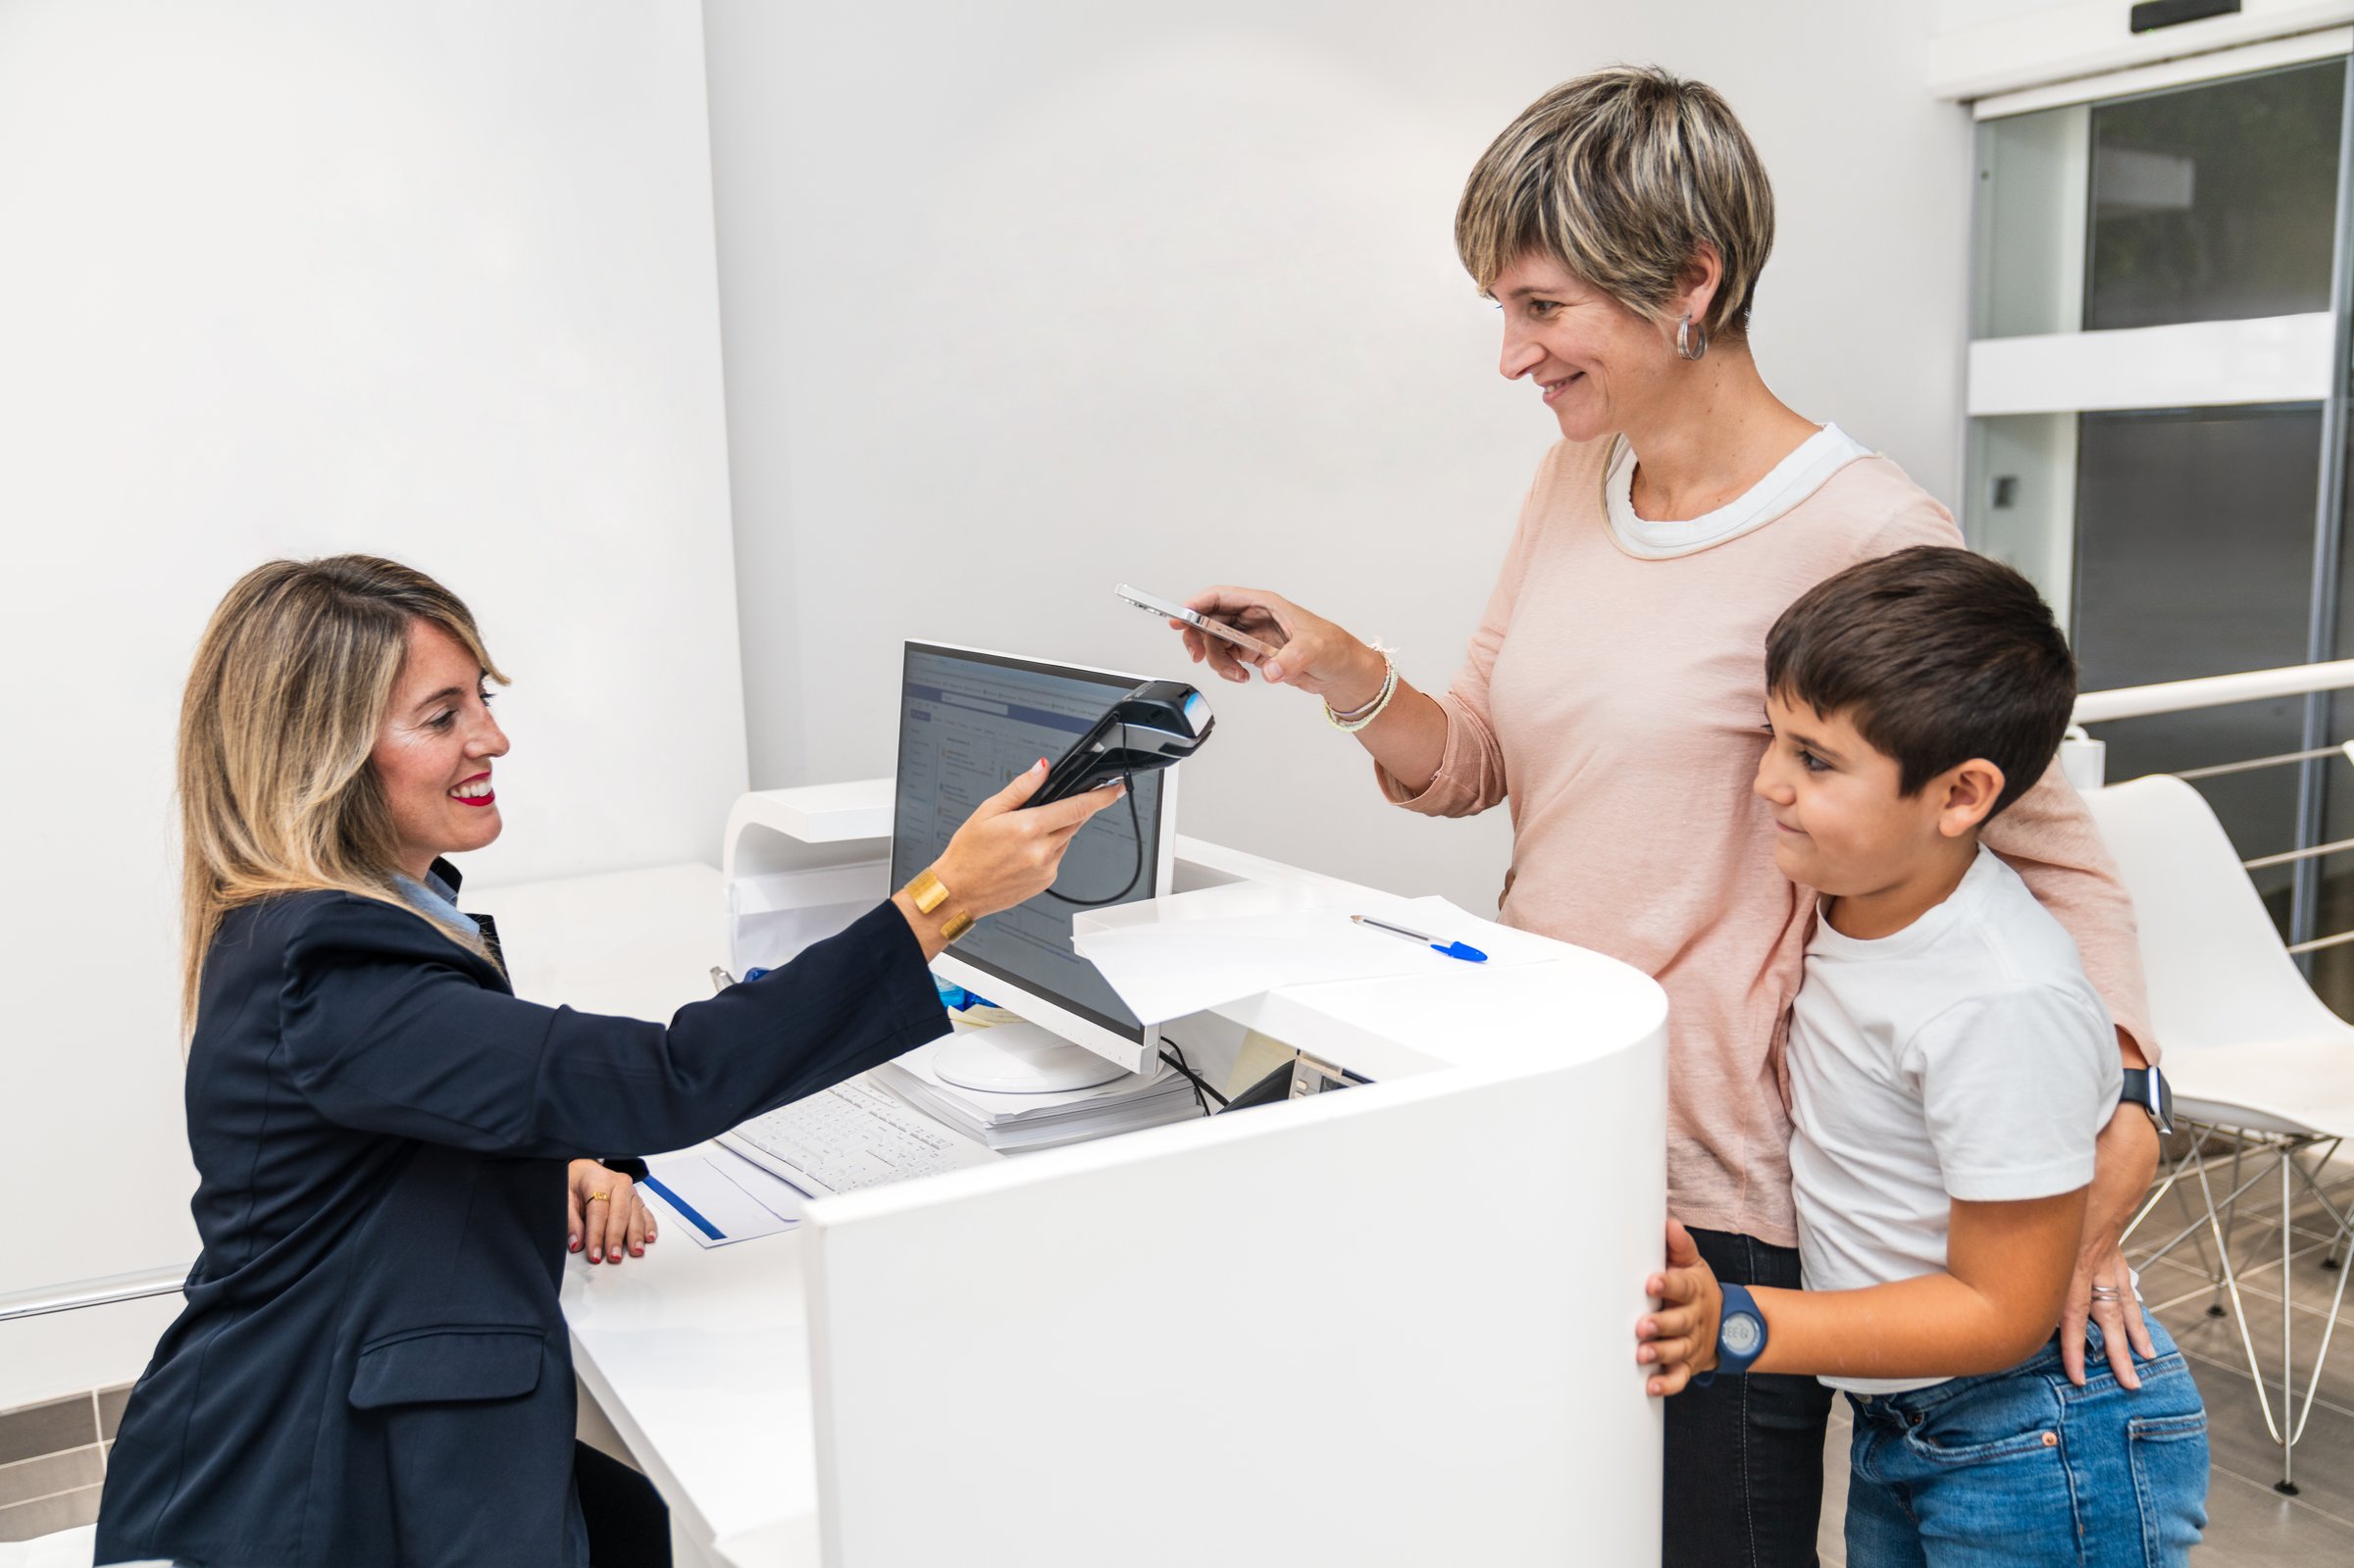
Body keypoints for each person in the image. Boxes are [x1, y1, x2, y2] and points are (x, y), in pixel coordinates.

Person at [1169, 68, 2164, 1563]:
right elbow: (1482, 759)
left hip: (1722, 1185)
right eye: (1502, 310)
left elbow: (2046, 847)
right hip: (1546, 1107)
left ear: (1691, 280)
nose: (1513, 357)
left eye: (1543, 308)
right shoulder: (1577, 473)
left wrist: (2119, 1136)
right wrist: (1349, 674)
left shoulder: (1865, 530)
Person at [96, 555, 1121, 1568]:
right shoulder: (332, 968)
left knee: (635, 1518)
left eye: (482, 701)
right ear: (322, 754)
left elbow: (415, 1115)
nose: (492, 738)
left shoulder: (329, 925)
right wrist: (943, 901)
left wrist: (553, 1160)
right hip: (311, 1478)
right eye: (443, 716)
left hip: (333, 1401)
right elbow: (666, 1079)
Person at [1637, 546, 2207, 1565]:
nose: (1766, 783)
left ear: (1959, 796)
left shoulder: (1993, 996)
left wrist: (1743, 1324)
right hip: (1913, 1430)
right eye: (1773, 738)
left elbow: (1998, 1310)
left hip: (2039, 1438)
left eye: (1814, 761)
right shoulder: (1856, 899)